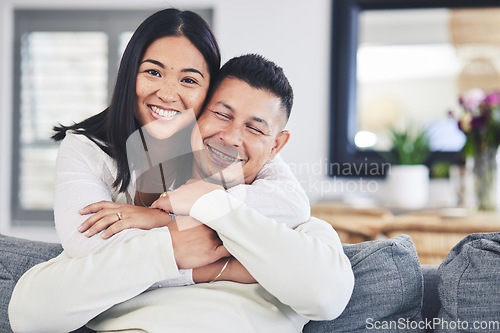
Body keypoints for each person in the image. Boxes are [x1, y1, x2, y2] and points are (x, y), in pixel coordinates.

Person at [8, 54, 355, 333]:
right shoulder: (125, 225)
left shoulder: (299, 229)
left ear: (277, 145)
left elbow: (327, 297)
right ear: (193, 116)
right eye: (221, 114)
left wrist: (209, 204)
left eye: (254, 128)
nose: (232, 137)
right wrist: (171, 250)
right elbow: (29, 315)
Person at [50, 7, 309, 267]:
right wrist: (204, 267)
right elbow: (88, 245)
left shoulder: (220, 143)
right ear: (130, 74)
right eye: (153, 72)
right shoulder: (84, 148)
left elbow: (291, 204)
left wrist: (169, 215)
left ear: (209, 92)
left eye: (188, 80)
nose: (168, 94)